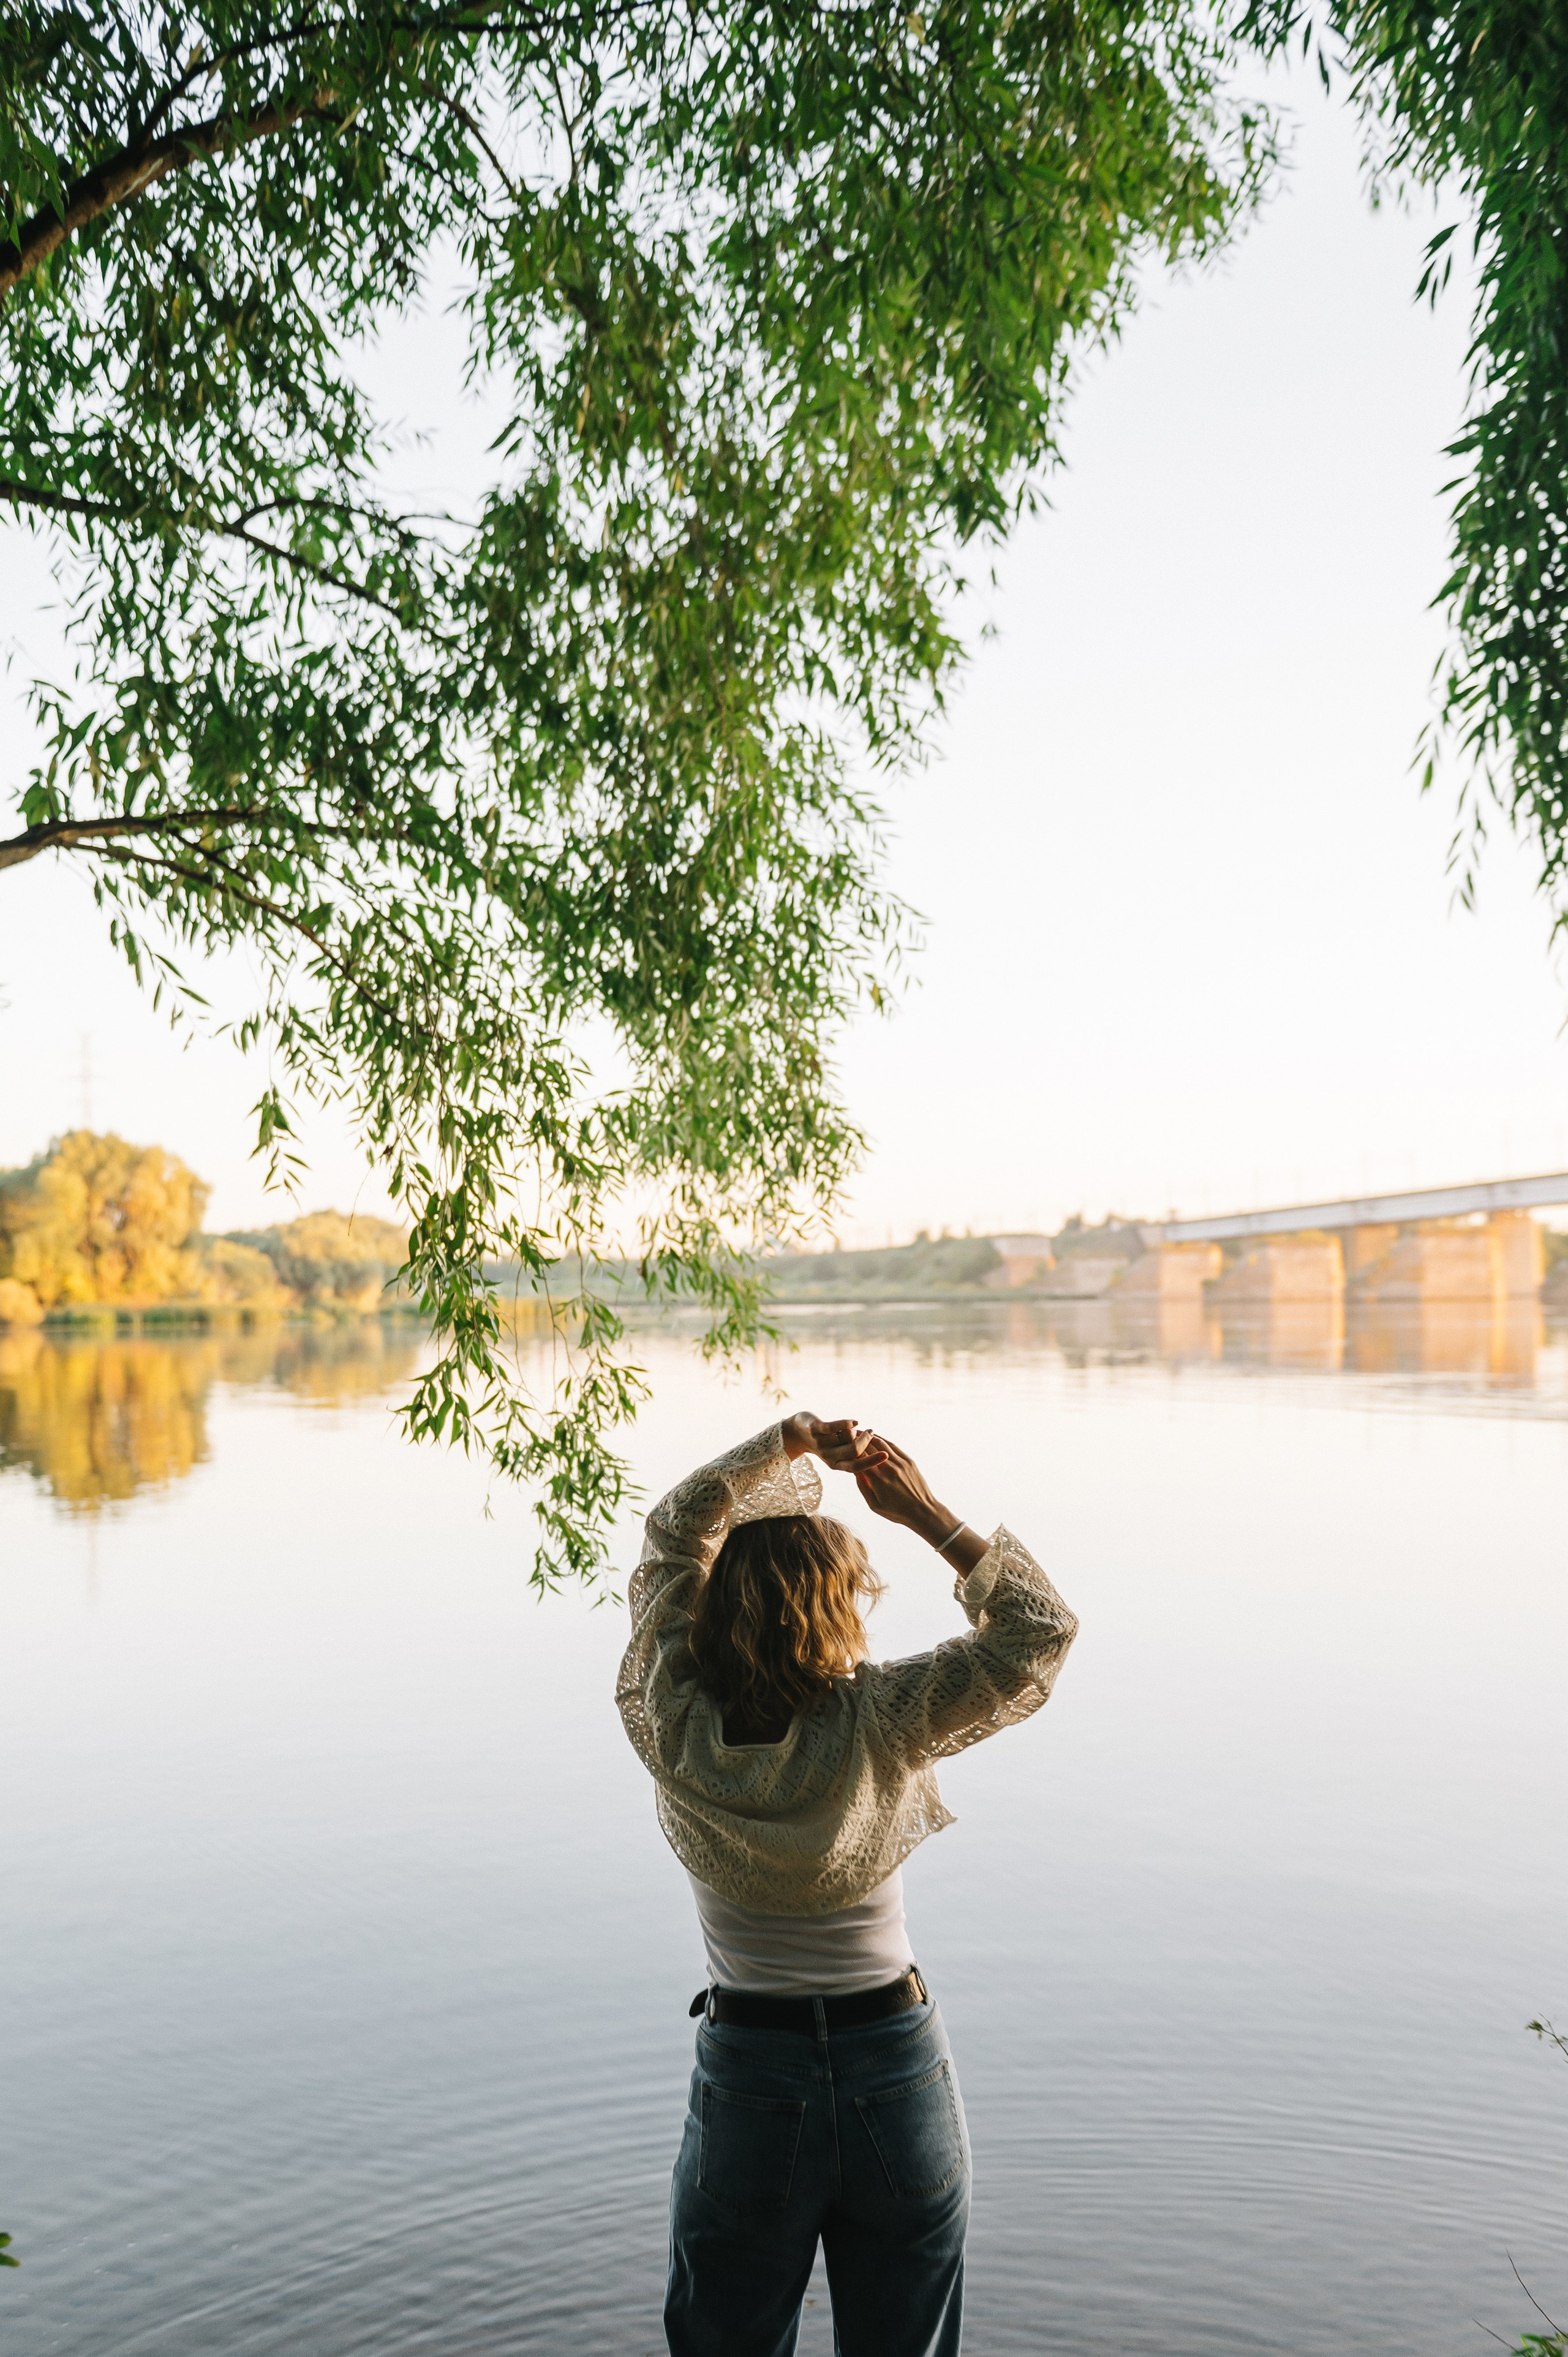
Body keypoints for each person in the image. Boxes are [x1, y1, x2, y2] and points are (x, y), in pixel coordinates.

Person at [616, 1409, 1079, 2357]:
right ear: (838, 1605)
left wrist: (783, 1443)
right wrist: (923, 1511)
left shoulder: (675, 1724)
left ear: (714, 1609)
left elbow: (673, 1533)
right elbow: (1039, 1632)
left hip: (752, 2074)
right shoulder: (886, 1716)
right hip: (894, 2066)